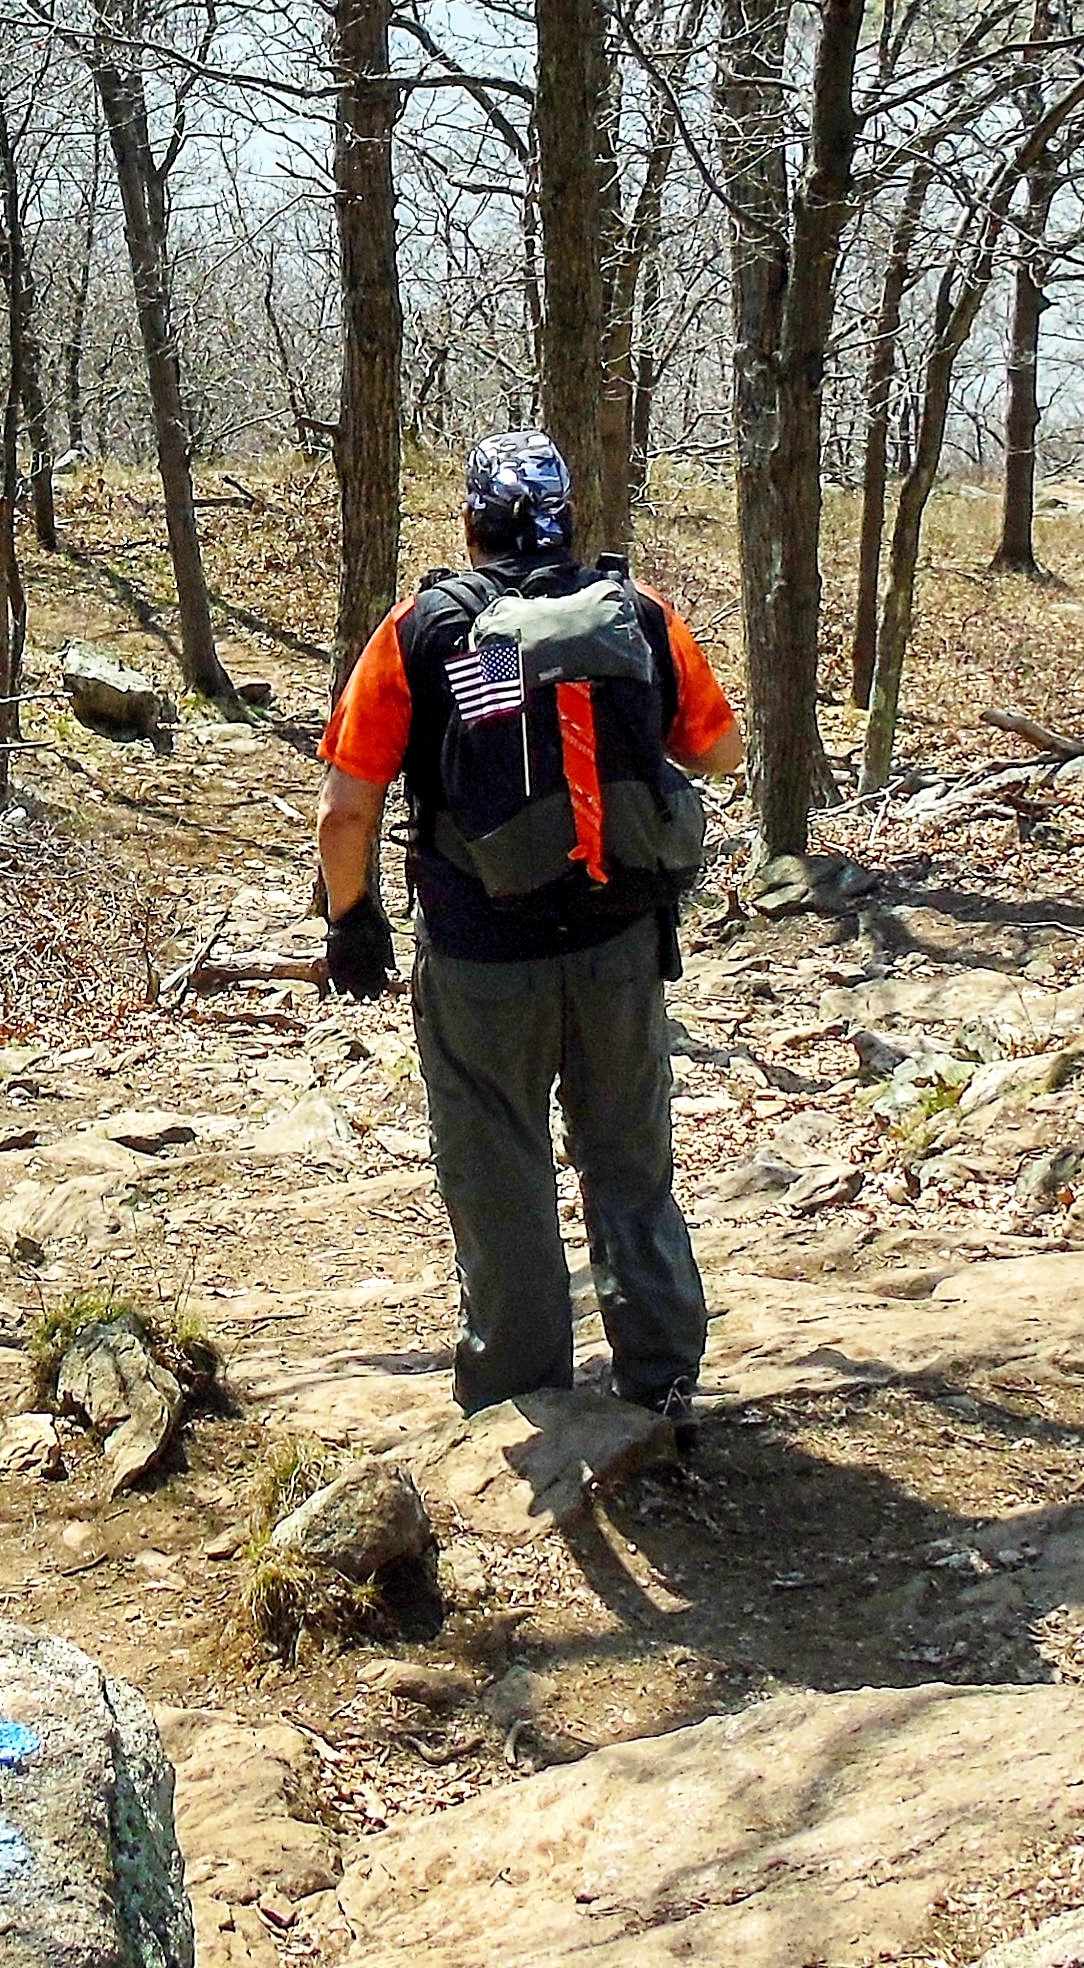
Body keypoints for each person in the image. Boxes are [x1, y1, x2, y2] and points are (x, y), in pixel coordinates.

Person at [314, 430, 740, 1433]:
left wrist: (350, 917)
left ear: (471, 525)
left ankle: (520, 1398)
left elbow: (345, 809)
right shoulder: (637, 613)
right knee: (629, 1160)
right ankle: (662, 1378)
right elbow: (720, 751)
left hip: (480, 955)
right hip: (618, 944)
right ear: (566, 524)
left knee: (498, 1169)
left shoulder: (423, 631)